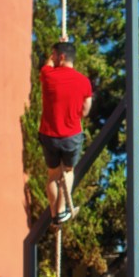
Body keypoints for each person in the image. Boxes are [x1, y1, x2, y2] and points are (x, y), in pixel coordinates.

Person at [38, 39, 92, 226]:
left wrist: (51, 58)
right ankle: (61, 212)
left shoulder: (48, 75)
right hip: (71, 136)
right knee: (68, 172)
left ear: (61, 57)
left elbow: (47, 65)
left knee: (53, 175)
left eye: (54, 55)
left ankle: (55, 214)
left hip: (49, 135)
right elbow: (85, 111)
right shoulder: (84, 82)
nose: (51, 58)